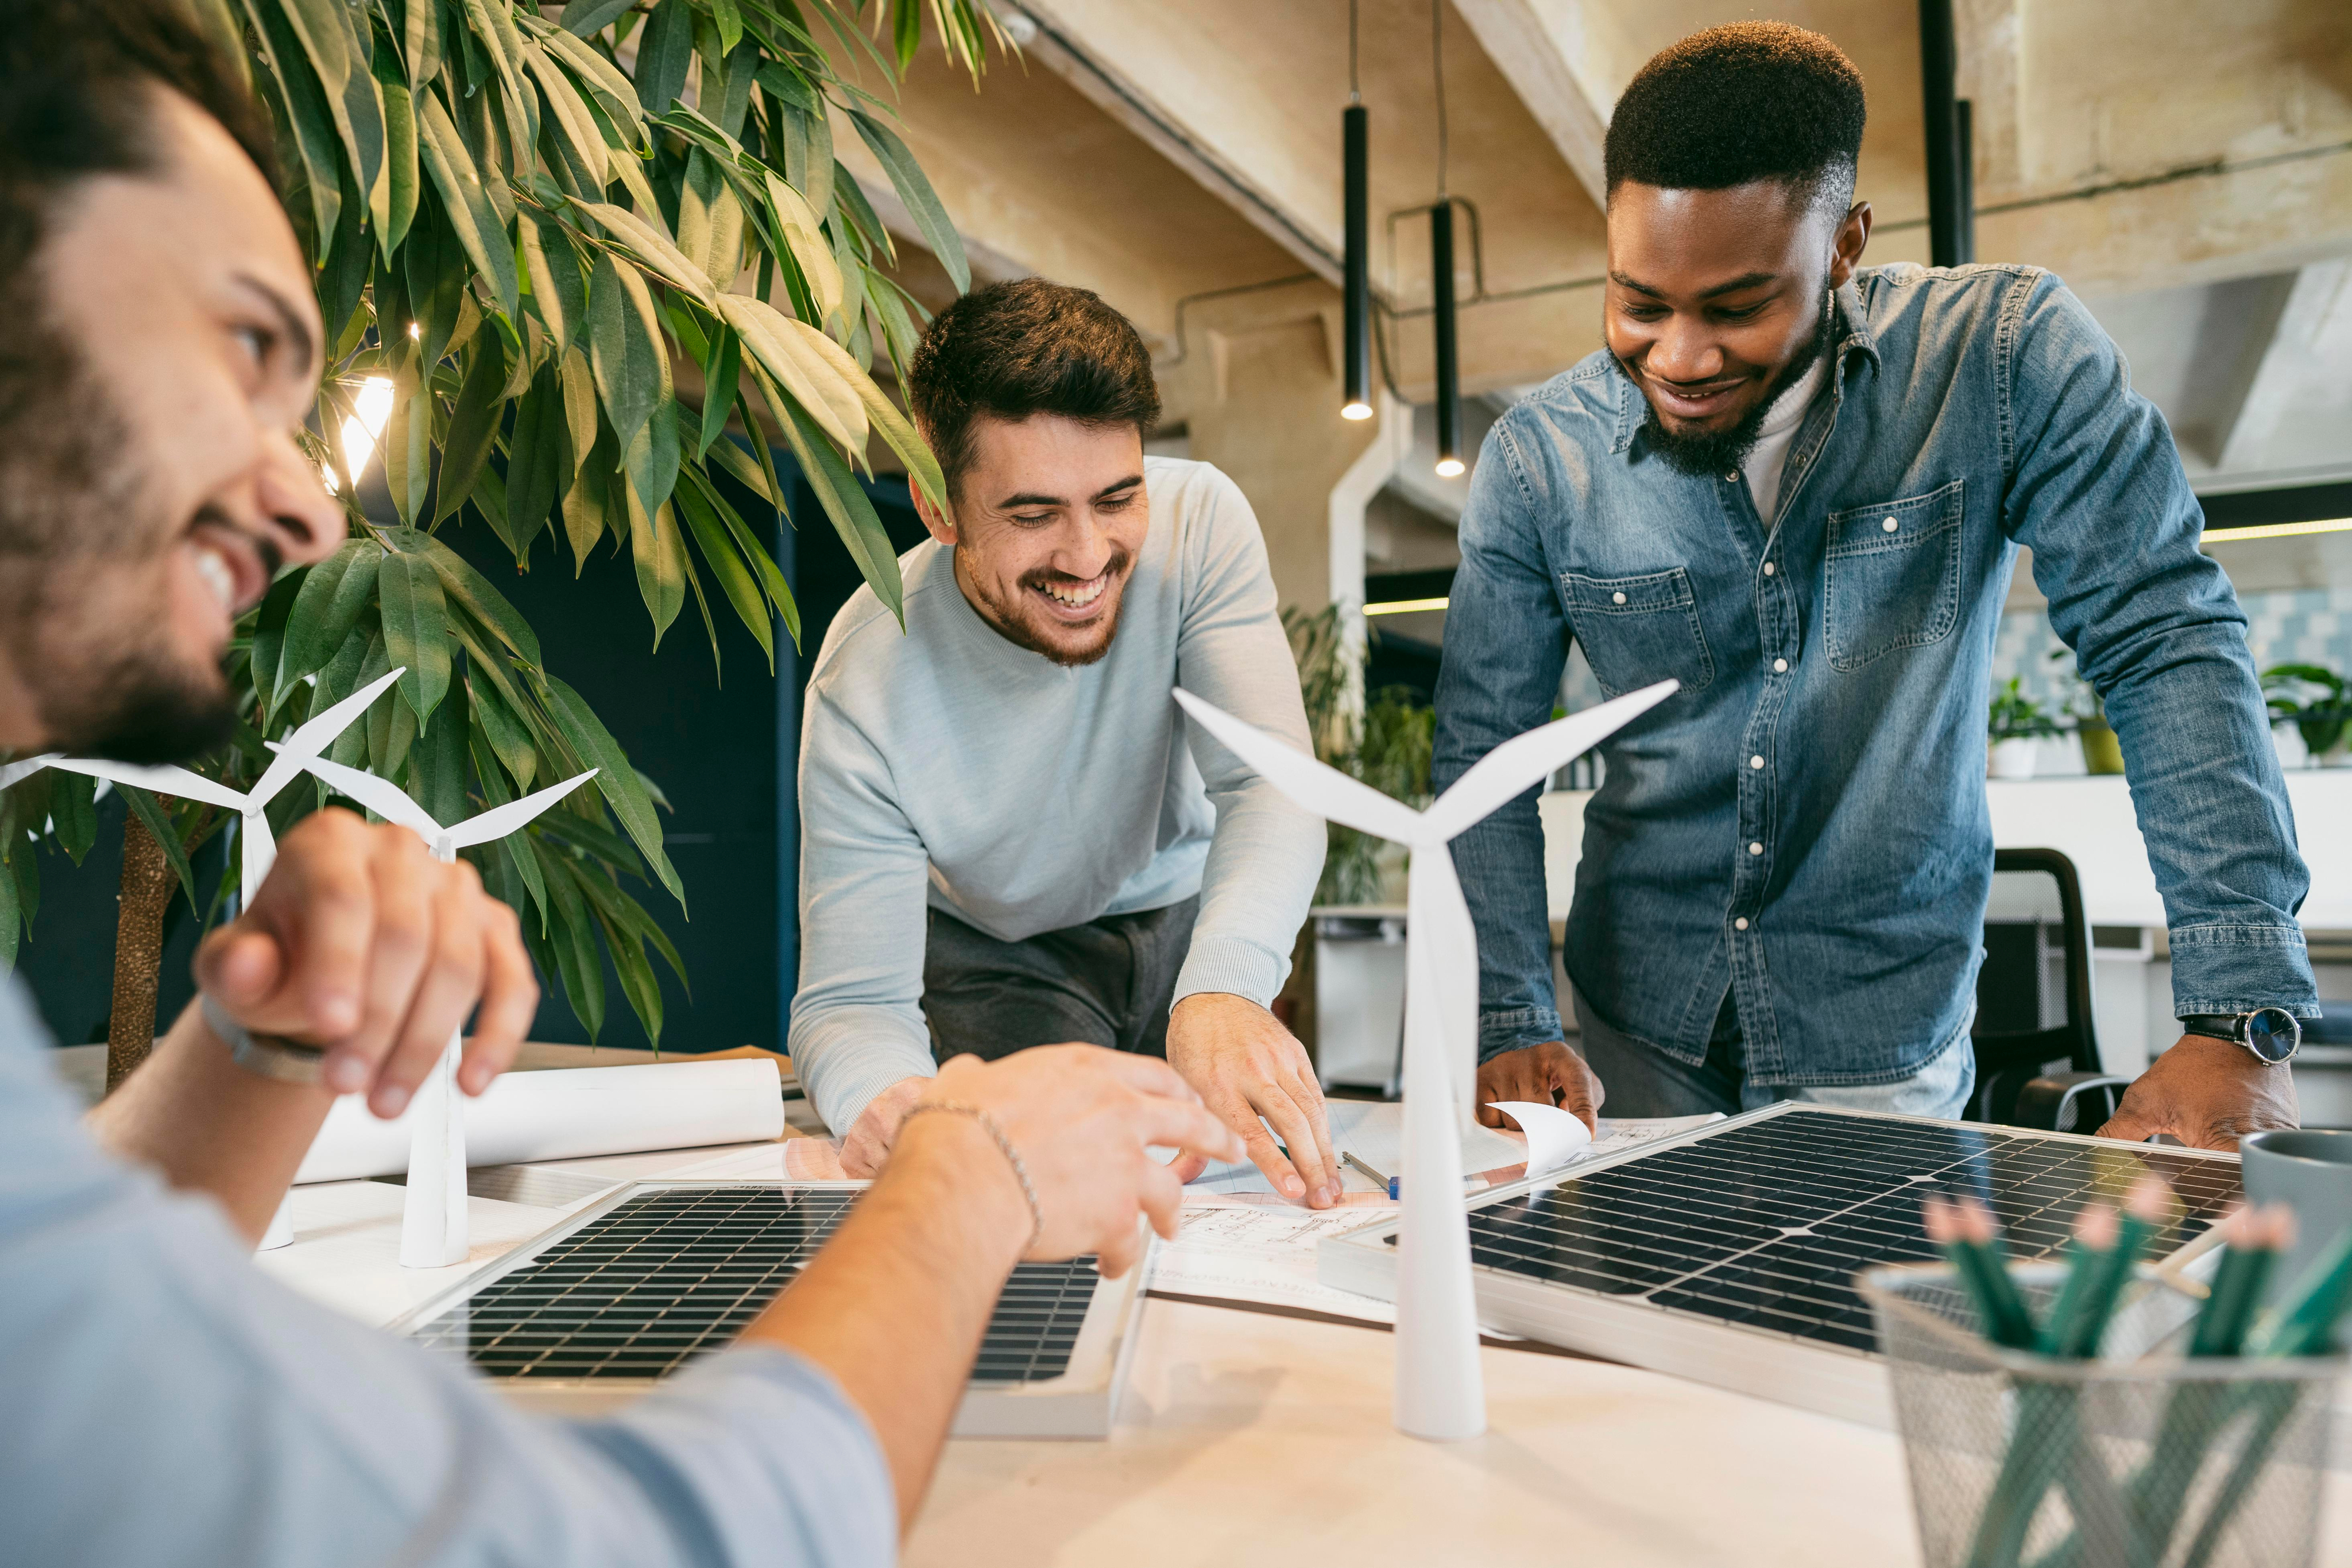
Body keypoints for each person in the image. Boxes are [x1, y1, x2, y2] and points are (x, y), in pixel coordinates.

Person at [0, 5, 1240, 1563]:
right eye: (245, 343)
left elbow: (60, 1346)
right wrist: (970, 1177)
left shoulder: (1213, 547)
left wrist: (257, 1047)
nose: (301, 513)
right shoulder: (870, 665)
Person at [1441, 22, 2311, 1149]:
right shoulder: (1536, 459)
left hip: (1879, 1036)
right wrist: (1507, 1009)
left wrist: (2237, 1016)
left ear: (1844, 244)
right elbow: (1482, 754)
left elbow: (2161, 637)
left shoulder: (2001, 360)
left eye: (1737, 306)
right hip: (1630, 1031)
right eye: (1640, 305)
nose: (1681, 358)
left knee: (1856, 1328)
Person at [788, 278, 1341, 1205]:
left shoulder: (1200, 524)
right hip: (1002, 960)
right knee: (1044, 1216)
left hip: (1186, 926)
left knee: (1236, 1214)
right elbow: (853, 1004)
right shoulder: (866, 683)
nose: (1088, 558)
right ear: (938, 506)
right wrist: (887, 1099)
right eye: (1034, 515)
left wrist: (1226, 987)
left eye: (1116, 498)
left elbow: (1271, 785)